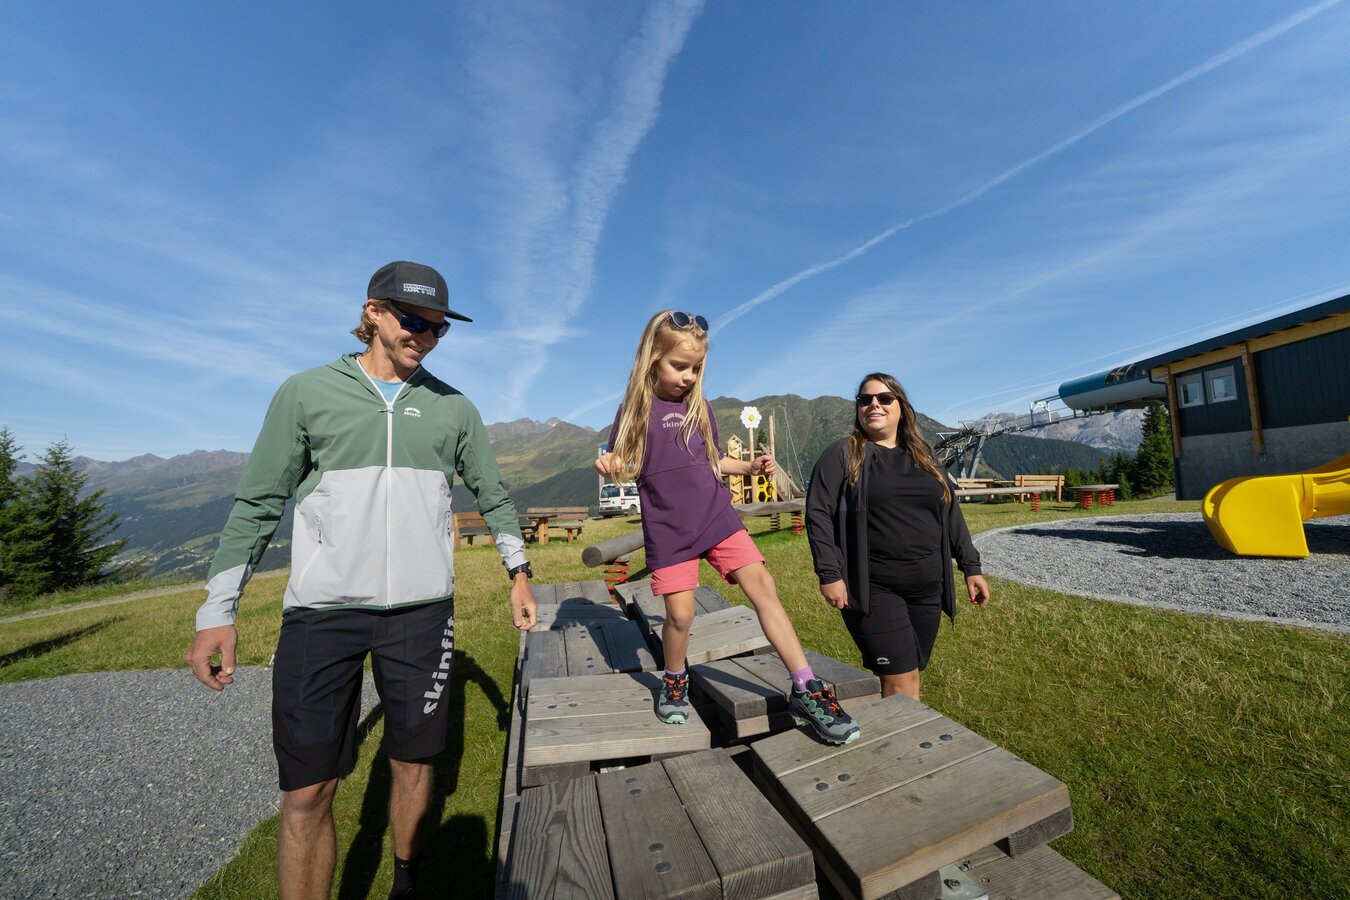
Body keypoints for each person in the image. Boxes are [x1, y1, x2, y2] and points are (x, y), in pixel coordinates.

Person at [185, 261, 537, 900]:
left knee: (413, 764)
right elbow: (259, 503)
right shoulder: (306, 392)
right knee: (307, 791)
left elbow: (493, 494)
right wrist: (218, 610)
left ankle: (407, 882)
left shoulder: (454, 407)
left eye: (438, 328)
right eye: (414, 320)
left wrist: (519, 572)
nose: (425, 336)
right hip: (321, 615)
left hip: (422, 613)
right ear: (373, 312)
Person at [596, 310, 859, 745]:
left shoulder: (699, 408)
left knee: (764, 587)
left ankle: (806, 687)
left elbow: (714, 460)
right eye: (679, 366)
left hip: (716, 516)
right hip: (669, 527)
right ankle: (675, 678)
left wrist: (749, 467)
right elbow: (624, 462)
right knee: (681, 615)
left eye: (696, 368)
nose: (688, 377)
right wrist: (610, 465)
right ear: (652, 358)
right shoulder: (633, 411)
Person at [806, 372, 990, 702]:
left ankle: (897, 730)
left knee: (911, 675)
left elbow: (949, 511)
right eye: (865, 400)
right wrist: (829, 573)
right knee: (900, 683)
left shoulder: (924, 455)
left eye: (884, 398)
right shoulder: (844, 454)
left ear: (901, 407)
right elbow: (818, 513)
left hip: (928, 588)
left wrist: (970, 566)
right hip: (875, 588)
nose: (874, 404)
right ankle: (903, 737)